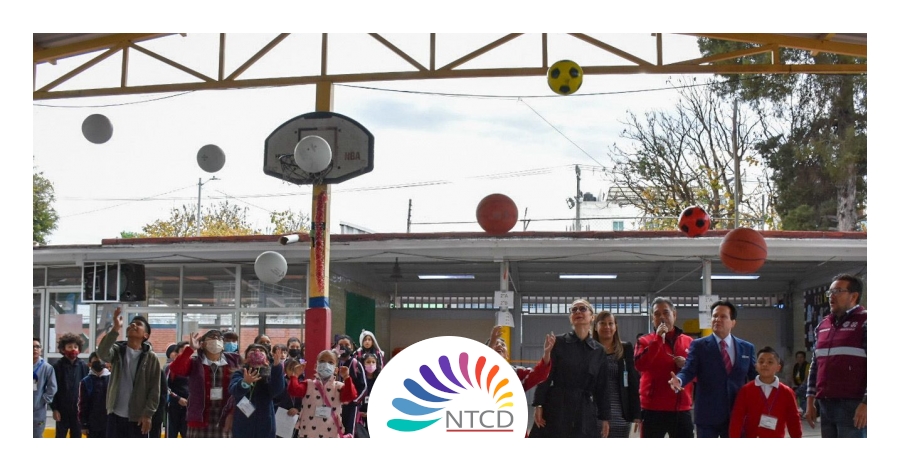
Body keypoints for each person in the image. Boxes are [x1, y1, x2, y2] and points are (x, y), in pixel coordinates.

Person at [669, 300, 757, 438]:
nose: (717, 319)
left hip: (737, 413)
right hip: (707, 415)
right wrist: (679, 380)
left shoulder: (747, 348)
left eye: (723, 316)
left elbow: (755, 376)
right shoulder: (699, 345)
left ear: (733, 322)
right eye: (715, 316)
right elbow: (689, 370)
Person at [531, 299, 610, 438]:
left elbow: (602, 387)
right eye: (574, 310)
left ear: (592, 317)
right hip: (557, 406)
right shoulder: (558, 342)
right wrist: (539, 404)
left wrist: (605, 418)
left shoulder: (599, 350)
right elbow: (546, 375)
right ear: (570, 318)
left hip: (584, 410)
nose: (578, 311)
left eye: (583, 308)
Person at [805, 273, 867, 438]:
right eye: (830, 292)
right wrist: (810, 399)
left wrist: (867, 403)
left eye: (838, 291)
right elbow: (815, 365)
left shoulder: (865, 322)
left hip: (854, 405)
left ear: (854, 296)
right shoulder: (823, 325)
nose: (831, 296)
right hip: (826, 404)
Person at [634, 296, 694, 438]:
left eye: (666, 312)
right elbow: (639, 365)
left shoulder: (690, 342)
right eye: (657, 314)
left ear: (674, 314)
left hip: (681, 408)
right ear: (652, 318)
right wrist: (657, 340)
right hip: (652, 409)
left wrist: (686, 365)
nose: (661, 317)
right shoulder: (644, 341)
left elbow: (699, 373)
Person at [96, 307, 161, 437]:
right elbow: (102, 353)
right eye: (131, 323)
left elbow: (155, 389)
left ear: (146, 335)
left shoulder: (151, 358)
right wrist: (115, 329)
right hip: (115, 413)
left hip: (138, 417)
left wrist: (148, 414)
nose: (133, 325)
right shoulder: (117, 351)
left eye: (138, 324)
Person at [168, 329, 242, 437]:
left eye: (219, 338)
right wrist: (191, 349)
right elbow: (176, 368)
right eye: (212, 337)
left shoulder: (234, 360)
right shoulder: (194, 362)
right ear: (202, 344)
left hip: (226, 418)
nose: (216, 340)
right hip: (200, 419)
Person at [729, 347, 802, 438]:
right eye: (761, 361)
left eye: (770, 362)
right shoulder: (746, 390)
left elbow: (794, 420)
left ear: (778, 367)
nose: (764, 364)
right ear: (756, 366)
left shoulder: (787, 392)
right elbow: (737, 418)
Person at [286, 349, 358, 438]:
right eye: (322, 361)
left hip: (331, 434)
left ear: (336, 370)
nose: (326, 364)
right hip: (307, 433)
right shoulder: (308, 384)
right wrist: (295, 375)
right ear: (316, 366)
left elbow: (350, 396)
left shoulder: (339, 387)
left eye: (330, 362)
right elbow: (293, 391)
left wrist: (346, 377)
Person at [592, 311, 641, 438]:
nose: (607, 327)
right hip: (594, 412)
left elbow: (633, 382)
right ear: (595, 327)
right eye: (602, 323)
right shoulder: (589, 350)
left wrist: (636, 413)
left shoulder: (626, 348)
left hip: (621, 413)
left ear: (615, 327)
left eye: (610, 323)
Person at [229, 343, 286, 437]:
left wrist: (277, 367)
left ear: (267, 360)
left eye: (261, 351)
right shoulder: (240, 373)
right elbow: (233, 390)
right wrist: (245, 382)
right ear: (245, 359)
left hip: (265, 424)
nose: (257, 351)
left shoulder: (270, 375)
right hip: (243, 423)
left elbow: (277, 391)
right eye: (253, 350)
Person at [488, 325, 554, 391]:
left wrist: (547, 353)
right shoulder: (483, 371)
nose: (499, 345)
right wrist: (491, 343)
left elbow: (539, 374)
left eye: (503, 344)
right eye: (495, 343)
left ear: (507, 355)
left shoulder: (517, 372)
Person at [51, 332, 90, 438]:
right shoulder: (57, 367)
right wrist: (54, 409)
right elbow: (53, 389)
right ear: (63, 349)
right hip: (62, 411)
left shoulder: (83, 366)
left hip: (77, 412)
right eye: (69, 347)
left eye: (75, 347)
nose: (73, 349)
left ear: (79, 349)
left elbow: (86, 390)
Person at [334, 334, 366, 437]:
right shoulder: (334, 363)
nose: (344, 347)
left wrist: (354, 401)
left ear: (352, 347)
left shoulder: (356, 363)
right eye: (341, 345)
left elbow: (364, 387)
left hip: (351, 406)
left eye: (347, 345)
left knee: (349, 430)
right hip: (335, 403)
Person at [78, 352, 110, 438]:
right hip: (92, 424)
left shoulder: (111, 379)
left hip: (109, 423)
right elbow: (83, 404)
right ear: (89, 364)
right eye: (96, 361)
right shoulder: (86, 382)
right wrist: (84, 424)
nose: (99, 362)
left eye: (101, 360)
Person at [33, 337, 58, 438]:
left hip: (38, 410)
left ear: (41, 349)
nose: (34, 349)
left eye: (37, 347)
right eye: (32, 347)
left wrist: (43, 400)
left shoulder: (47, 367)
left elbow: (52, 387)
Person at [165, 341, 190, 438]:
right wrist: (178, 398)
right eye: (184, 351)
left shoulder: (193, 367)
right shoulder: (170, 368)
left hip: (188, 408)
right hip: (173, 407)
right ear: (177, 354)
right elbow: (164, 387)